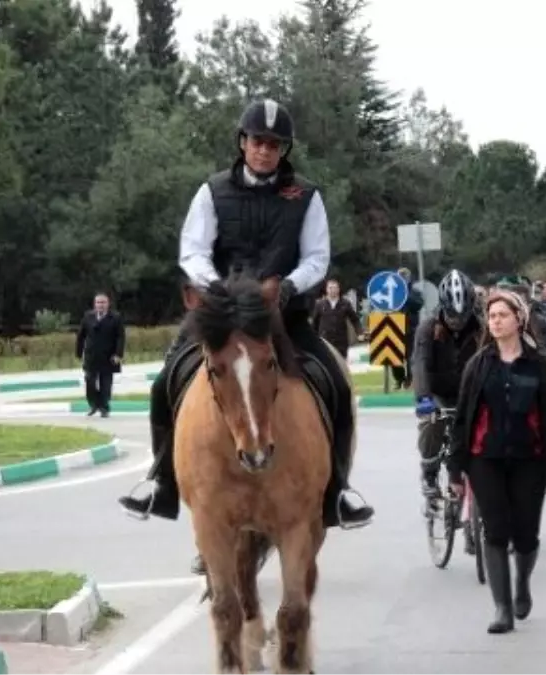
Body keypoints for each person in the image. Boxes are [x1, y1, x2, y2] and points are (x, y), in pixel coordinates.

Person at [117, 99, 374, 575]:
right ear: (243, 143)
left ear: (283, 150)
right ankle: (161, 480)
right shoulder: (212, 191)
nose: (264, 150)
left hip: (283, 316)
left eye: (274, 145)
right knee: (165, 381)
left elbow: (316, 257)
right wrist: (213, 285)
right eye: (258, 141)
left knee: (333, 381)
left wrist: (290, 286)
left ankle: (337, 489)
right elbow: (192, 250)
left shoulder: (307, 196)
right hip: (223, 315)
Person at [447, 290, 546, 635]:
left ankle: (522, 583)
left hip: (530, 459)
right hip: (486, 459)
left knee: (526, 534)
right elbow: (463, 420)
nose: (495, 321)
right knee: (495, 531)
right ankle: (502, 607)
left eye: (502, 315)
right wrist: (456, 468)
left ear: (519, 320)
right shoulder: (478, 365)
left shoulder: (541, 365)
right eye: (492, 316)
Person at [412, 270, 483, 499]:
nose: (458, 322)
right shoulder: (427, 328)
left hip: (470, 392)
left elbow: (492, 359)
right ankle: (430, 473)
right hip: (438, 392)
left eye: (463, 317)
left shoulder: (482, 328)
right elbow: (420, 363)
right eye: (452, 316)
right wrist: (424, 398)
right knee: (432, 423)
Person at [75, 292, 125, 418]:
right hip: (91, 355)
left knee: (105, 384)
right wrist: (78, 352)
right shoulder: (88, 316)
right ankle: (94, 404)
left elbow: (120, 337)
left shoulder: (116, 317)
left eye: (103, 302)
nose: (100, 305)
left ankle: (104, 407)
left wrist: (118, 354)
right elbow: (81, 336)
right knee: (89, 381)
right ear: (94, 304)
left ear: (108, 304)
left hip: (109, 356)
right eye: (98, 302)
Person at [311, 278, 364, 358]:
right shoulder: (320, 304)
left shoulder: (345, 303)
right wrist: (313, 339)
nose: (333, 290)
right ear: (326, 289)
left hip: (341, 341)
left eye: (335, 288)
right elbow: (315, 323)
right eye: (330, 288)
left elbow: (355, 320)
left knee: (341, 364)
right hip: (325, 341)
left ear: (338, 289)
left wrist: (359, 333)